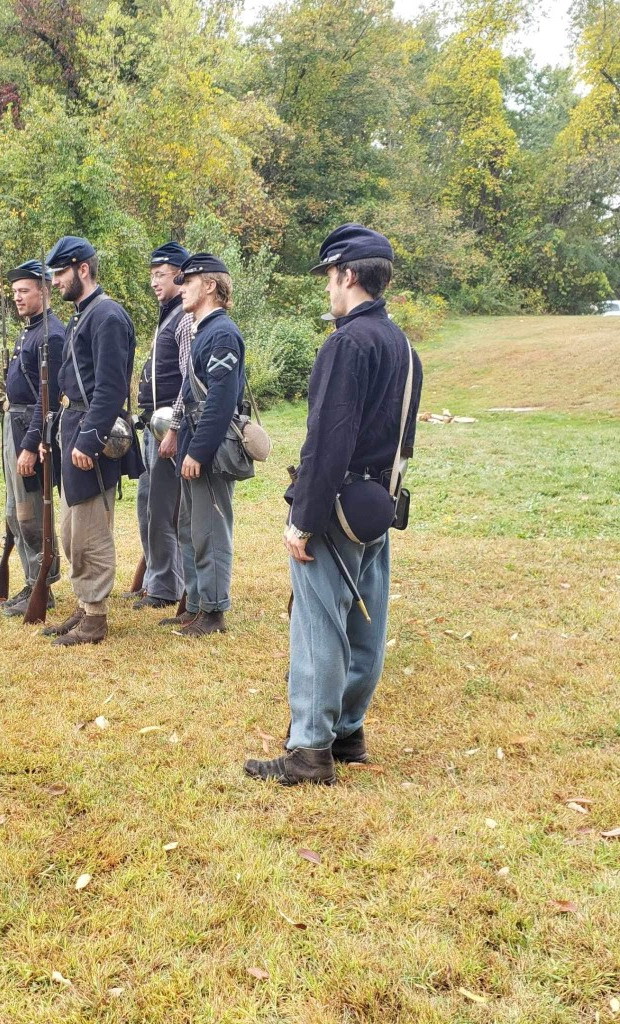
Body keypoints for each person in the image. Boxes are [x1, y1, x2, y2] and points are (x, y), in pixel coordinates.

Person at [244, 224, 423, 787]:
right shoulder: (403, 345)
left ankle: (310, 749)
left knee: (320, 626)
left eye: (329, 275)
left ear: (348, 275)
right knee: (366, 624)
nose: (327, 286)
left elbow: (327, 442)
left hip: (339, 504)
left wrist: (303, 519)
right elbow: (403, 440)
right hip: (378, 504)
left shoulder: (347, 343)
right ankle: (348, 731)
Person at [41, 235, 143, 646]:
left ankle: (96, 616)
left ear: (83, 269)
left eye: (60, 273)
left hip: (91, 433)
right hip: (74, 426)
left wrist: (89, 440)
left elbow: (111, 388)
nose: (55, 282)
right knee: (72, 530)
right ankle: (85, 604)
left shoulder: (107, 316)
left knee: (90, 532)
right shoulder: (83, 315)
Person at [172, 253, 248, 638]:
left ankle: (214, 612)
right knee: (191, 528)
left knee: (210, 531)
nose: (181, 289)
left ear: (210, 285)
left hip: (210, 450)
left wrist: (198, 452)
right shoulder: (205, 331)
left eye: (188, 281)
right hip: (194, 440)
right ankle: (197, 604)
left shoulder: (222, 334)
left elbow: (220, 401)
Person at [0, 260, 66, 617]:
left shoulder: (51, 335)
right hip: (15, 424)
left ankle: (42, 583)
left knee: (31, 513)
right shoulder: (30, 331)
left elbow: (48, 398)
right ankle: (30, 580)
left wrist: (29, 445)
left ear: (44, 291)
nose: (17, 297)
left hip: (30, 429)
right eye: (15, 292)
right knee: (15, 511)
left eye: (24, 290)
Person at [130, 242, 191, 611]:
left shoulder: (183, 318)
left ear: (180, 276)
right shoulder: (169, 315)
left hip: (168, 427)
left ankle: (166, 587)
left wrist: (175, 428)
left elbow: (189, 380)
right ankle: (157, 578)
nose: (154, 282)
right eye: (152, 275)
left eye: (160, 275)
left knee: (164, 510)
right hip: (153, 426)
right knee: (147, 506)